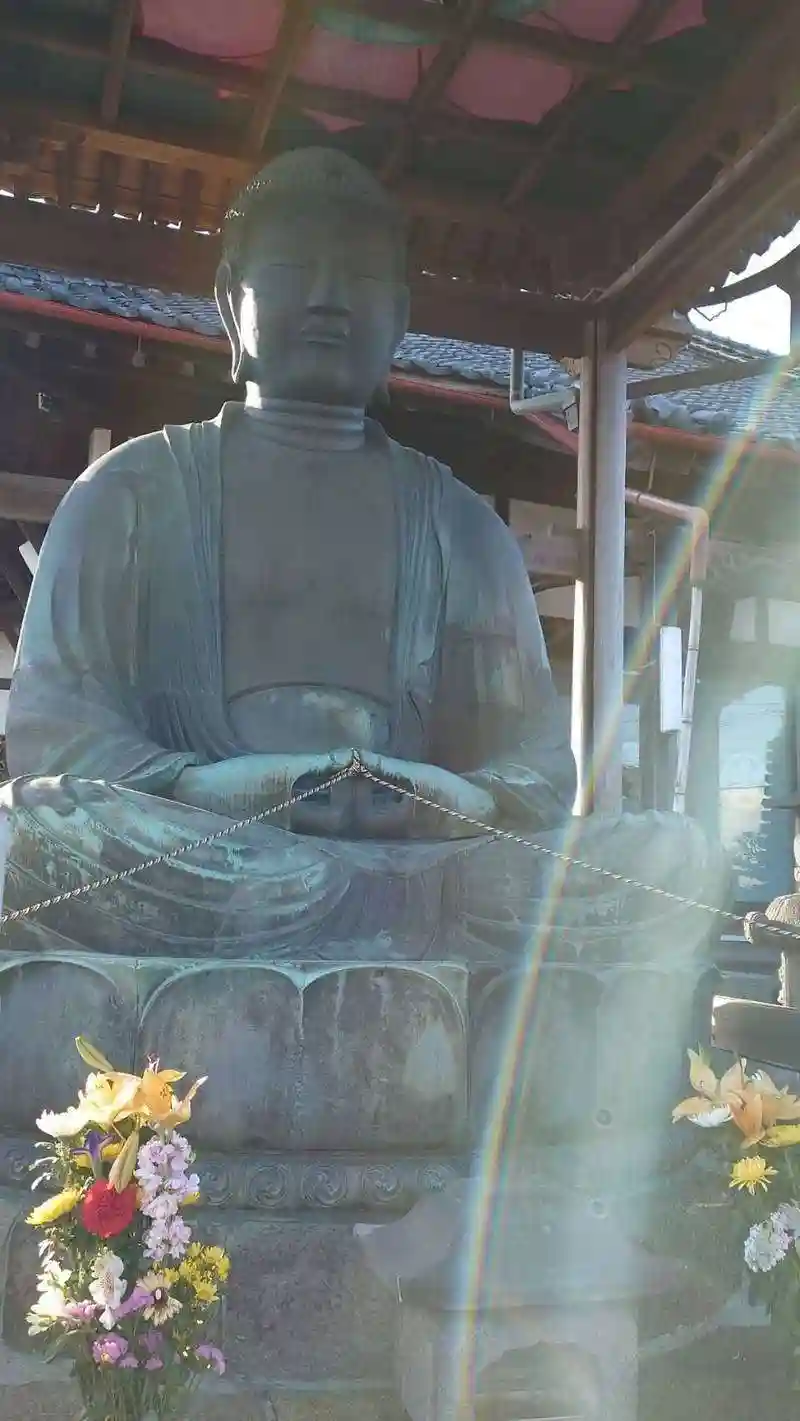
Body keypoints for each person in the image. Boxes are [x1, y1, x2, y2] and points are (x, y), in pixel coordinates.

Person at [0, 148, 712, 962]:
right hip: (207, 858)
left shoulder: (461, 525)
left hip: (428, 868)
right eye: (296, 269)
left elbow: (539, 770)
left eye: (361, 278)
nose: (330, 299)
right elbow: (57, 734)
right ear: (231, 299)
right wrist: (218, 789)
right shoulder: (128, 492)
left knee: (670, 861)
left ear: (400, 316)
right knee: (24, 834)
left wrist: (442, 800)